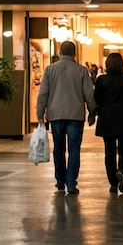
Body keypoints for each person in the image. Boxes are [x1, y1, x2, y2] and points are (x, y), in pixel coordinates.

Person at [36, 40, 97, 195]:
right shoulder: (82, 71)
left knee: (58, 149)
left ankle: (60, 180)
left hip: (55, 115)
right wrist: (92, 112)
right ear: (75, 53)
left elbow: (43, 93)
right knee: (74, 150)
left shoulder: (50, 70)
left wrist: (40, 113)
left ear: (59, 53)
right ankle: (71, 183)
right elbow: (88, 94)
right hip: (75, 115)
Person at [90, 52, 123, 195]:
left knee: (109, 152)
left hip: (107, 119)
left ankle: (113, 183)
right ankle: (121, 171)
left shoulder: (102, 80)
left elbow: (97, 99)